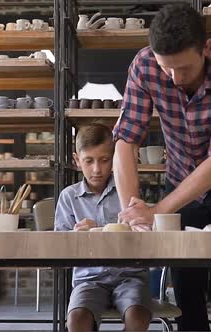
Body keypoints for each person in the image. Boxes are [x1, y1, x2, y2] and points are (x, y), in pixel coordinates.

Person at [113, 4, 211, 331]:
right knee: (185, 284)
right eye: (166, 68)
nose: (174, 78)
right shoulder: (144, 66)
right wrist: (133, 207)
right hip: (182, 180)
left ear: (206, 48)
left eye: (183, 68)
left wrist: (159, 210)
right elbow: (126, 141)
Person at [54, 123, 152, 332]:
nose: (97, 169)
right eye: (89, 161)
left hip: (130, 275)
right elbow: (60, 247)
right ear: (77, 160)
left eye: (105, 160)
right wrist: (76, 236)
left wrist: (105, 228)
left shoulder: (130, 190)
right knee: (77, 320)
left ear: (115, 158)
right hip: (88, 279)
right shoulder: (69, 197)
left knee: (138, 317)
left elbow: (148, 236)